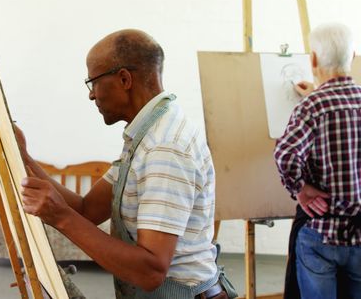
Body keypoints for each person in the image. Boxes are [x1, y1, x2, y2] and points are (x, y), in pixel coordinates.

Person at [16, 29, 233, 298]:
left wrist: (60, 216)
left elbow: (151, 271)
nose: (91, 95)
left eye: (92, 82)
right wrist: (22, 158)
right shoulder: (145, 134)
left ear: (124, 79)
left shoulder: (164, 147)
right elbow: (87, 210)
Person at [274, 23, 361, 299]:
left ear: (312, 59)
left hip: (321, 232)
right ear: (353, 55)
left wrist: (301, 190)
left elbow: (285, 155)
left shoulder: (312, 106)